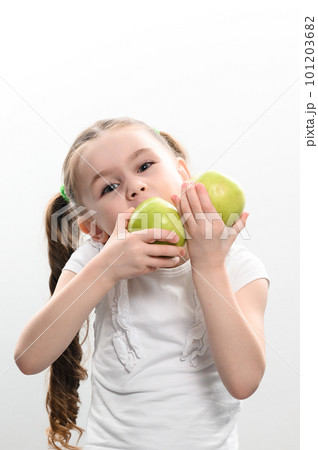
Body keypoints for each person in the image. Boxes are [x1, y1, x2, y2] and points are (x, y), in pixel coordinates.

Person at [14, 117, 270, 450]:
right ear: (93, 228)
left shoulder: (238, 266)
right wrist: (105, 269)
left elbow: (244, 381)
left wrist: (209, 264)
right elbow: (29, 358)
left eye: (145, 165)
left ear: (183, 175)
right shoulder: (97, 260)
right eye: (108, 187)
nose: (134, 187)